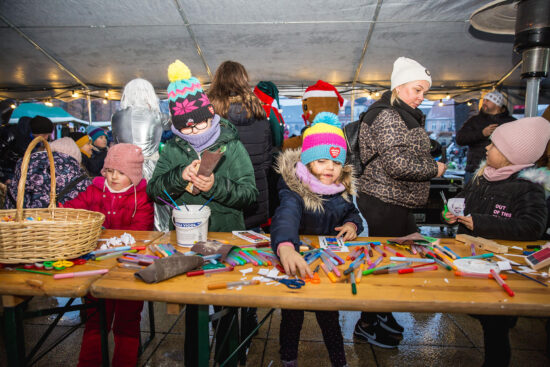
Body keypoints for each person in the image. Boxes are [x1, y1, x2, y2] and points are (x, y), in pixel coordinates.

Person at [147, 60, 258, 367]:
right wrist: (179, 177)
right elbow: (153, 191)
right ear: (175, 125)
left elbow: (250, 195)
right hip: (184, 241)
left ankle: (228, 360)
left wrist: (214, 185)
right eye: (185, 126)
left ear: (210, 115)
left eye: (199, 123)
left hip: (224, 237)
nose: (193, 131)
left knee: (225, 309)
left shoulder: (231, 146)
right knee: (193, 308)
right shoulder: (172, 150)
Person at [355, 56, 446, 348]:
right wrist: (436, 168)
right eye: (416, 90)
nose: (421, 97)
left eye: (424, 92)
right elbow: (397, 164)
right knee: (380, 266)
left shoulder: (401, 114)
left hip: (395, 201)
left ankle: (382, 312)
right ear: (398, 87)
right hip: (383, 200)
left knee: (392, 262)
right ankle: (367, 323)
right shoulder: (388, 116)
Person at [443, 117, 550, 366]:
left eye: (493, 145)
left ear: (511, 154)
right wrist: (450, 211)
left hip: (502, 269)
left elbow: (533, 227)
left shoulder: (528, 188)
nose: (487, 148)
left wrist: (479, 222)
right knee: (480, 312)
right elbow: (460, 203)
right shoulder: (482, 177)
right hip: (472, 262)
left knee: (495, 328)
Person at [270, 112, 363, 367]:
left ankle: (339, 361)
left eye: (335, 163)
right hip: (297, 262)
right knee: (292, 317)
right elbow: (285, 217)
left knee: (329, 317)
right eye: (322, 161)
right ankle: (288, 359)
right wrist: (286, 247)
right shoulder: (295, 190)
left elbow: (353, 213)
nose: (330, 169)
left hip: (327, 266)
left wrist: (352, 224)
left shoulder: (341, 191)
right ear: (308, 162)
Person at [63, 143, 153, 367]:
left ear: (132, 174)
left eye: (121, 173)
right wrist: (62, 212)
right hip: (95, 268)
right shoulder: (93, 191)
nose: (113, 177)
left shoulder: (141, 197)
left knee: (127, 322)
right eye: (109, 171)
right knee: (95, 320)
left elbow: (141, 231)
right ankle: (89, 363)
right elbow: (73, 210)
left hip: (129, 271)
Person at [208, 60, 272, 231]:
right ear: (244, 81)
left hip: (220, 194)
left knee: (217, 253)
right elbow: (267, 160)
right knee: (251, 254)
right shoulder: (260, 114)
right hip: (255, 192)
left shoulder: (210, 118)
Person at [111, 78, 171, 231]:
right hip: (151, 168)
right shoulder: (157, 116)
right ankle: (160, 244)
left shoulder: (116, 117)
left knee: (126, 208)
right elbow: (176, 125)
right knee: (157, 210)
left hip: (123, 169)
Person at [5, 137, 91, 208]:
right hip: (56, 225)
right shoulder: (79, 175)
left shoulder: (26, 162)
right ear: (76, 159)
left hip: (14, 222)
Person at [456, 91, 515, 183]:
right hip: (475, 169)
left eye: (488, 100)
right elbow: (460, 138)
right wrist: (481, 133)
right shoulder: (474, 121)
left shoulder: (510, 122)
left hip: (502, 171)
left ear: (497, 104)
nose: (484, 103)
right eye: (484, 100)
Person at [282, 80, 343, 151]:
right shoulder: (338, 132)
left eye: (305, 107)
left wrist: (283, 144)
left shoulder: (312, 131)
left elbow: (298, 142)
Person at [254, 81, 285, 149]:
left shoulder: (266, 111)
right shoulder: (274, 112)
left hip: (265, 152)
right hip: (268, 152)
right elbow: (278, 137)